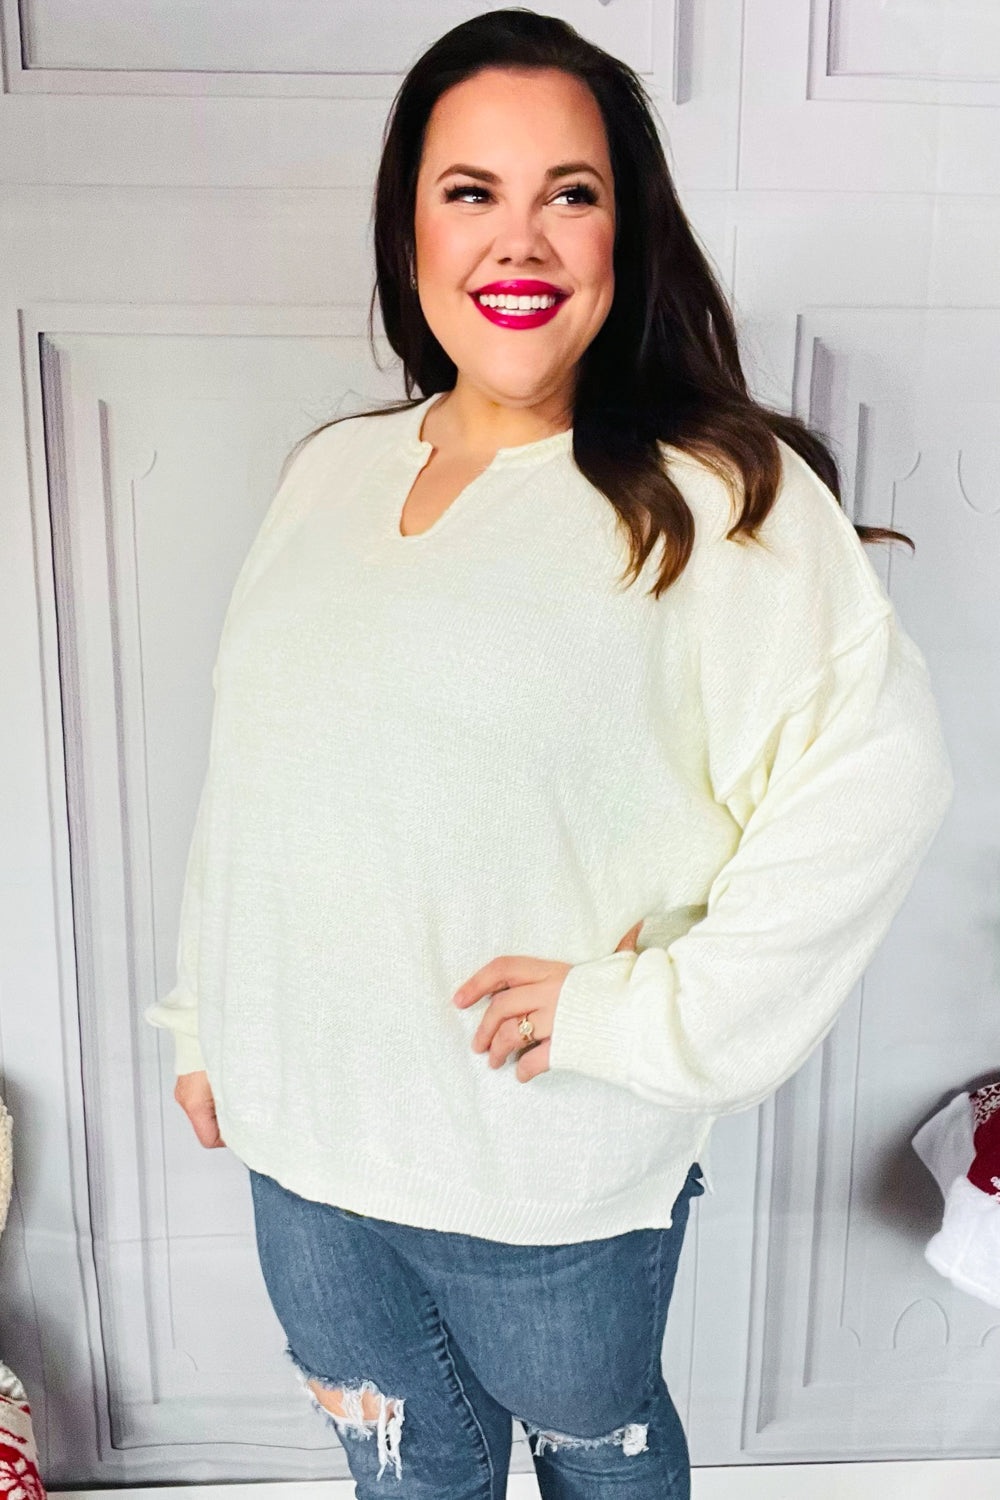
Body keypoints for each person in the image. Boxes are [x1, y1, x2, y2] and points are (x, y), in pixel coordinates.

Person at [145, 10, 954, 1497]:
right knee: (405, 1472)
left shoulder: (718, 500)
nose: (518, 239)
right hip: (301, 1147)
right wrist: (208, 1020)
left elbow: (873, 784)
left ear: (623, 233)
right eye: (472, 191)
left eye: (569, 193)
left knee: (603, 1459)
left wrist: (651, 1016)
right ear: (408, 228)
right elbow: (258, 777)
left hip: (540, 1163)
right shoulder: (330, 471)